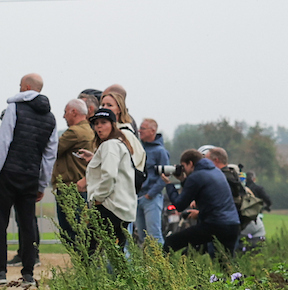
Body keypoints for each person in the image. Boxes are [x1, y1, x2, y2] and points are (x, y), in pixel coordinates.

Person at [0, 73, 58, 287]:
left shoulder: (14, 108)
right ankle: (28, 274)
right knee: (27, 225)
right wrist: (42, 183)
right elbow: (49, 155)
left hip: (8, 174)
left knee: (0, 223)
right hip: (30, 177)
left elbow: (3, 143)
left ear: (26, 87)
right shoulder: (51, 118)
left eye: (20, 85)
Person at [78, 108, 137, 252]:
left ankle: (88, 275)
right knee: (116, 254)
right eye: (96, 123)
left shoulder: (109, 145)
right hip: (122, 208)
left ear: (113, 124)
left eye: (103, 122)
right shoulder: (119, 143)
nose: (99, 126)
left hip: (110, 207)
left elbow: (109, 175)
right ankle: (123, 276)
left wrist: (97, 198)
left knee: (88, 253)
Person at [162, 149, 240, 257]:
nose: (183, 170)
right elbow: (199, 189)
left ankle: (161, 271)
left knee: (171, 242)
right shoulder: (216, 171)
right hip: (233, 224)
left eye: (183, 166)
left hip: (214, 225)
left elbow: (179, 205)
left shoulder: (195, 177)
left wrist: (168, 184)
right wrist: (183, 180)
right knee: (226, 266)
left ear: (190, 163)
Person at [53, 98, 94, 245]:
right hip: (81, 185)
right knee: (79, 230)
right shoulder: (88, 129)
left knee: (70, 232)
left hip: (70, 186)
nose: (64, 116)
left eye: (65, 112)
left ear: (73, 112)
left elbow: (53, 150)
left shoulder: (74, 132)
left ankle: (82, 265)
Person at [134, 118, 170, 246]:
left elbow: (165, 175)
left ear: (152, 131)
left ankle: (161, 263)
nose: (139, 131)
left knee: (154, 235)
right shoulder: (139, 149)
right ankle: (146, 264)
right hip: (138, 197)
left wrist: (150, 194)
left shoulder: (160, 152)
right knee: (143, 237)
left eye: (143, 128)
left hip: (151, 199)